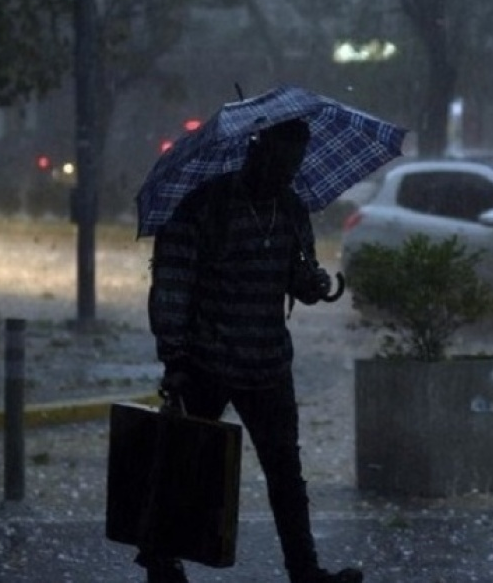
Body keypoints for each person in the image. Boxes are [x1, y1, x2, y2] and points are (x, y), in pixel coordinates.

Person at [138, 119, 363, 583]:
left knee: (286, 475)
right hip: (206, 361)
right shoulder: (206, 206)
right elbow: (173, 284)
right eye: (280, 159)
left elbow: (299, 276)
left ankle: (305, 571)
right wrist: (174, 358)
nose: (286, 171)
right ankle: (162, 563)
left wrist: (314, 285)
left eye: (294, 162)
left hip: (269, 363)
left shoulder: (291, 208)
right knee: (186, 465)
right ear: (257, 150)